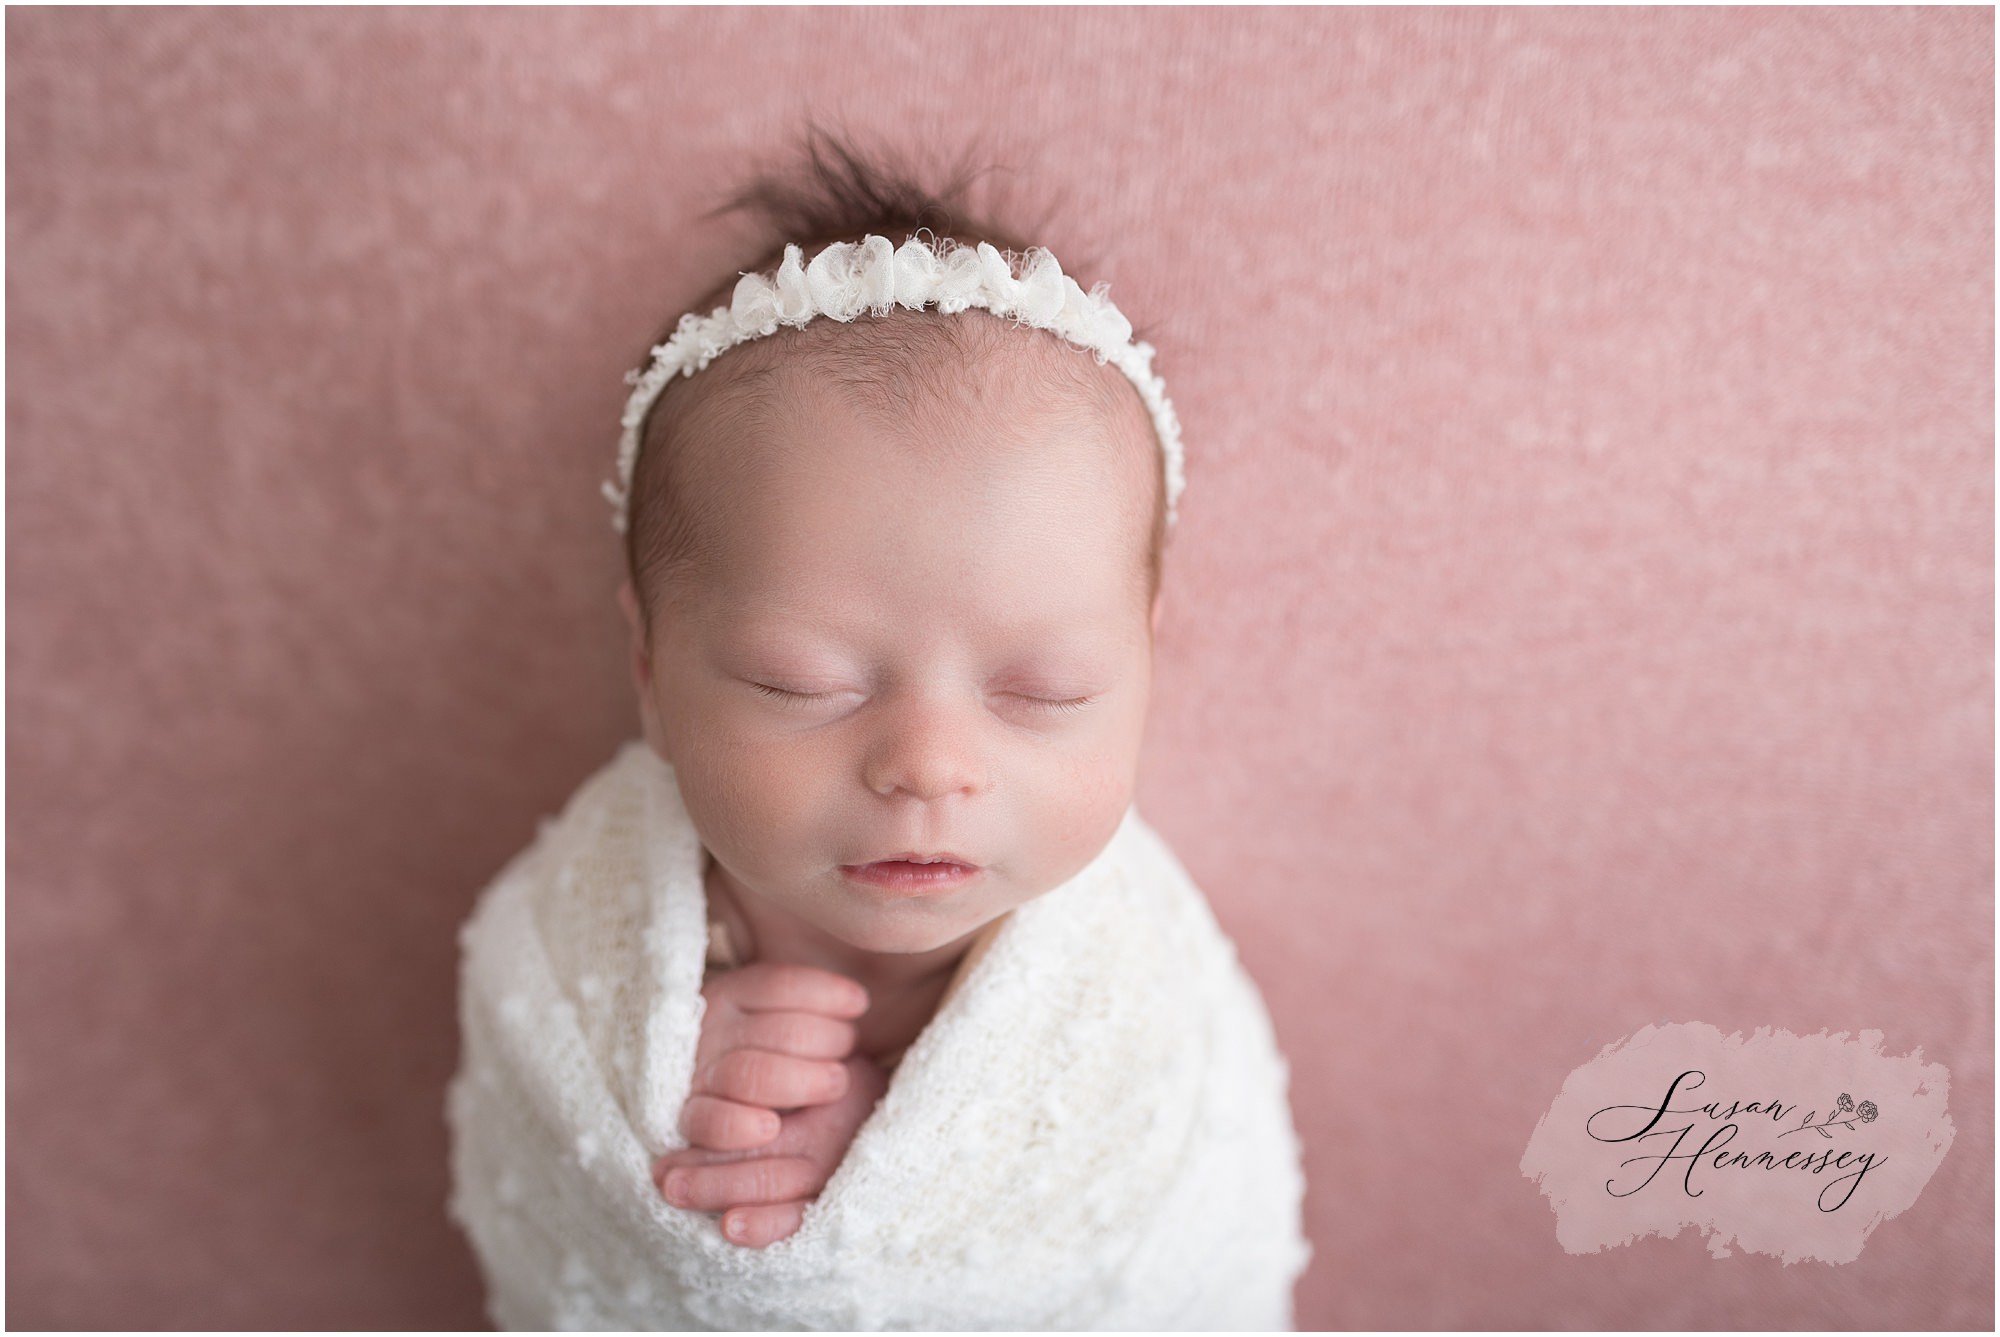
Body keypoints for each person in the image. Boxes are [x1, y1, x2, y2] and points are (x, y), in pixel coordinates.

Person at [446, 129, 1309, 1329]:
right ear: (647, 664)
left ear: (1146, 660)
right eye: (804, 682)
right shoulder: (604, 936)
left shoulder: (1124, 985)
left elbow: (1151, 1222)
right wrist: (672, 1100)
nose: (926, 765)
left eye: (1044, 689)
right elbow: (563, 1127)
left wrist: (892, 1158)